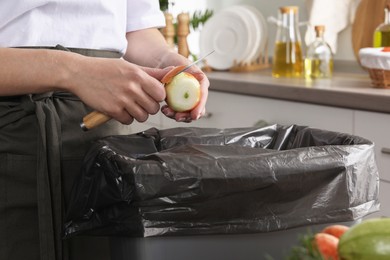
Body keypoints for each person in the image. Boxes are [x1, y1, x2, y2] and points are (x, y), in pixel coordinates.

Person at [0, 1, 210, 260]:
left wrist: (167, 62)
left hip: (106, 142)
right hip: (13, 133)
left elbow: (136, 28)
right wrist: (72, 70)